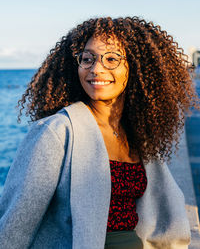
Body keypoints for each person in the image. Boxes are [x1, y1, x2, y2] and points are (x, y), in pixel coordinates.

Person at [0, 16, 199, 249]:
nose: (96, 69)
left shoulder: (137, 135)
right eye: (87, 59)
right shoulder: (56, 133)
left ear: (134, 67)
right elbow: (15, 226)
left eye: (111, 59)